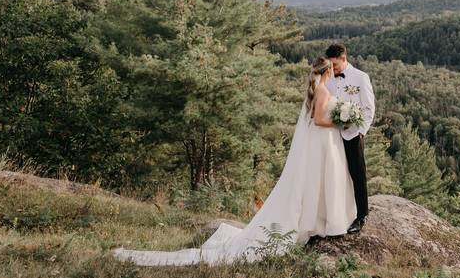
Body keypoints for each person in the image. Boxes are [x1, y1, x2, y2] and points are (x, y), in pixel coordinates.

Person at [111, 57, 356, 265]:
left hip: (320, 145)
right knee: (321, 181)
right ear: (326, 72)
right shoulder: (323, 91)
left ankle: (316, 222)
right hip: (324, 141)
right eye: (331, 70)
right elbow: (320, 121)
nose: (334, 72)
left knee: (315, 182)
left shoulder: (315, 90)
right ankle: (319, 223)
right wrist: (340, 119)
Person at [325, 43, 376, 234]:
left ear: (344, 59)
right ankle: (338, 214)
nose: (332, 69)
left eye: (335, 65)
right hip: (331, 136)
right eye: (330, 66)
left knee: (358, 174)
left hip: (354, 134)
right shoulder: (327, 78)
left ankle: (361, 216)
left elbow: (369, 108)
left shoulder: (361, 77)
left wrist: (361, 131)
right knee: (334, 175)